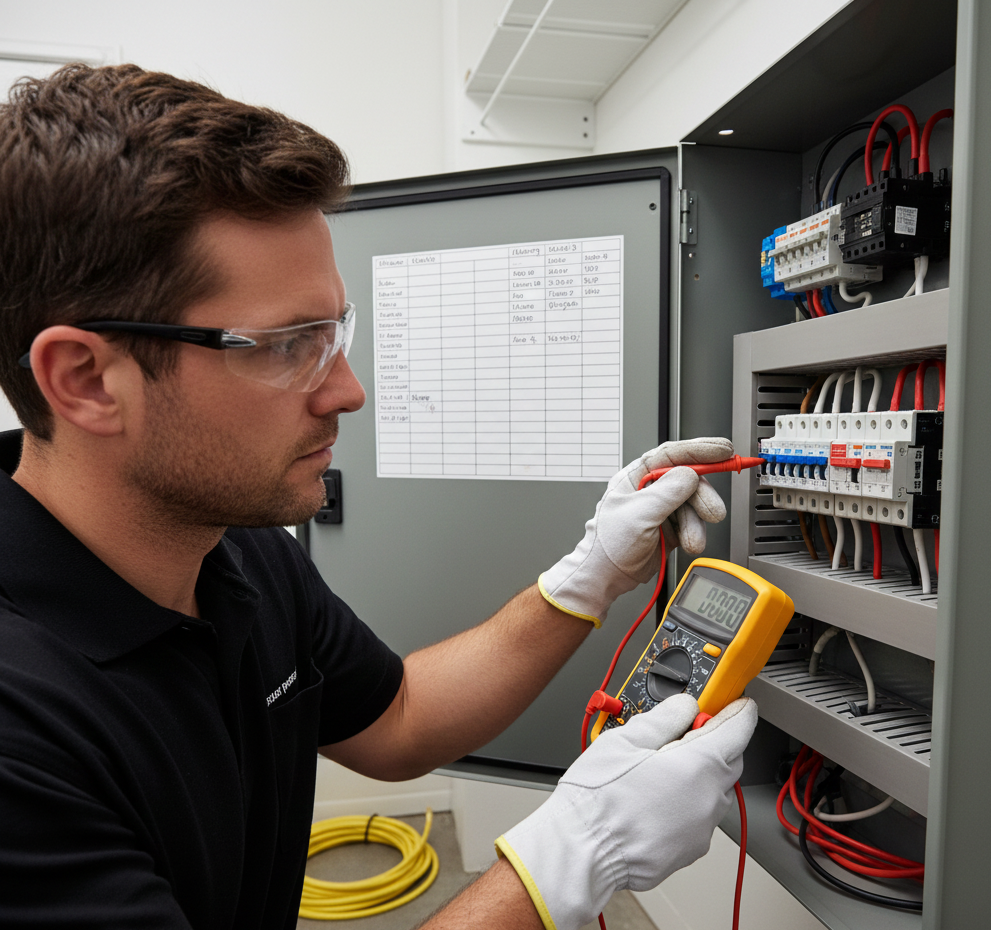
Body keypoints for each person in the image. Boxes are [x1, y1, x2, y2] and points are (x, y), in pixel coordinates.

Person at [0, 63, 757, 929]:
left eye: (335, 333)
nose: (348, 390)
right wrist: (567, 862)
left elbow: (397, 717)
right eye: (287, 344)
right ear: (87, 379)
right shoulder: (19, 734)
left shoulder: (234, 551)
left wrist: (587, 577)